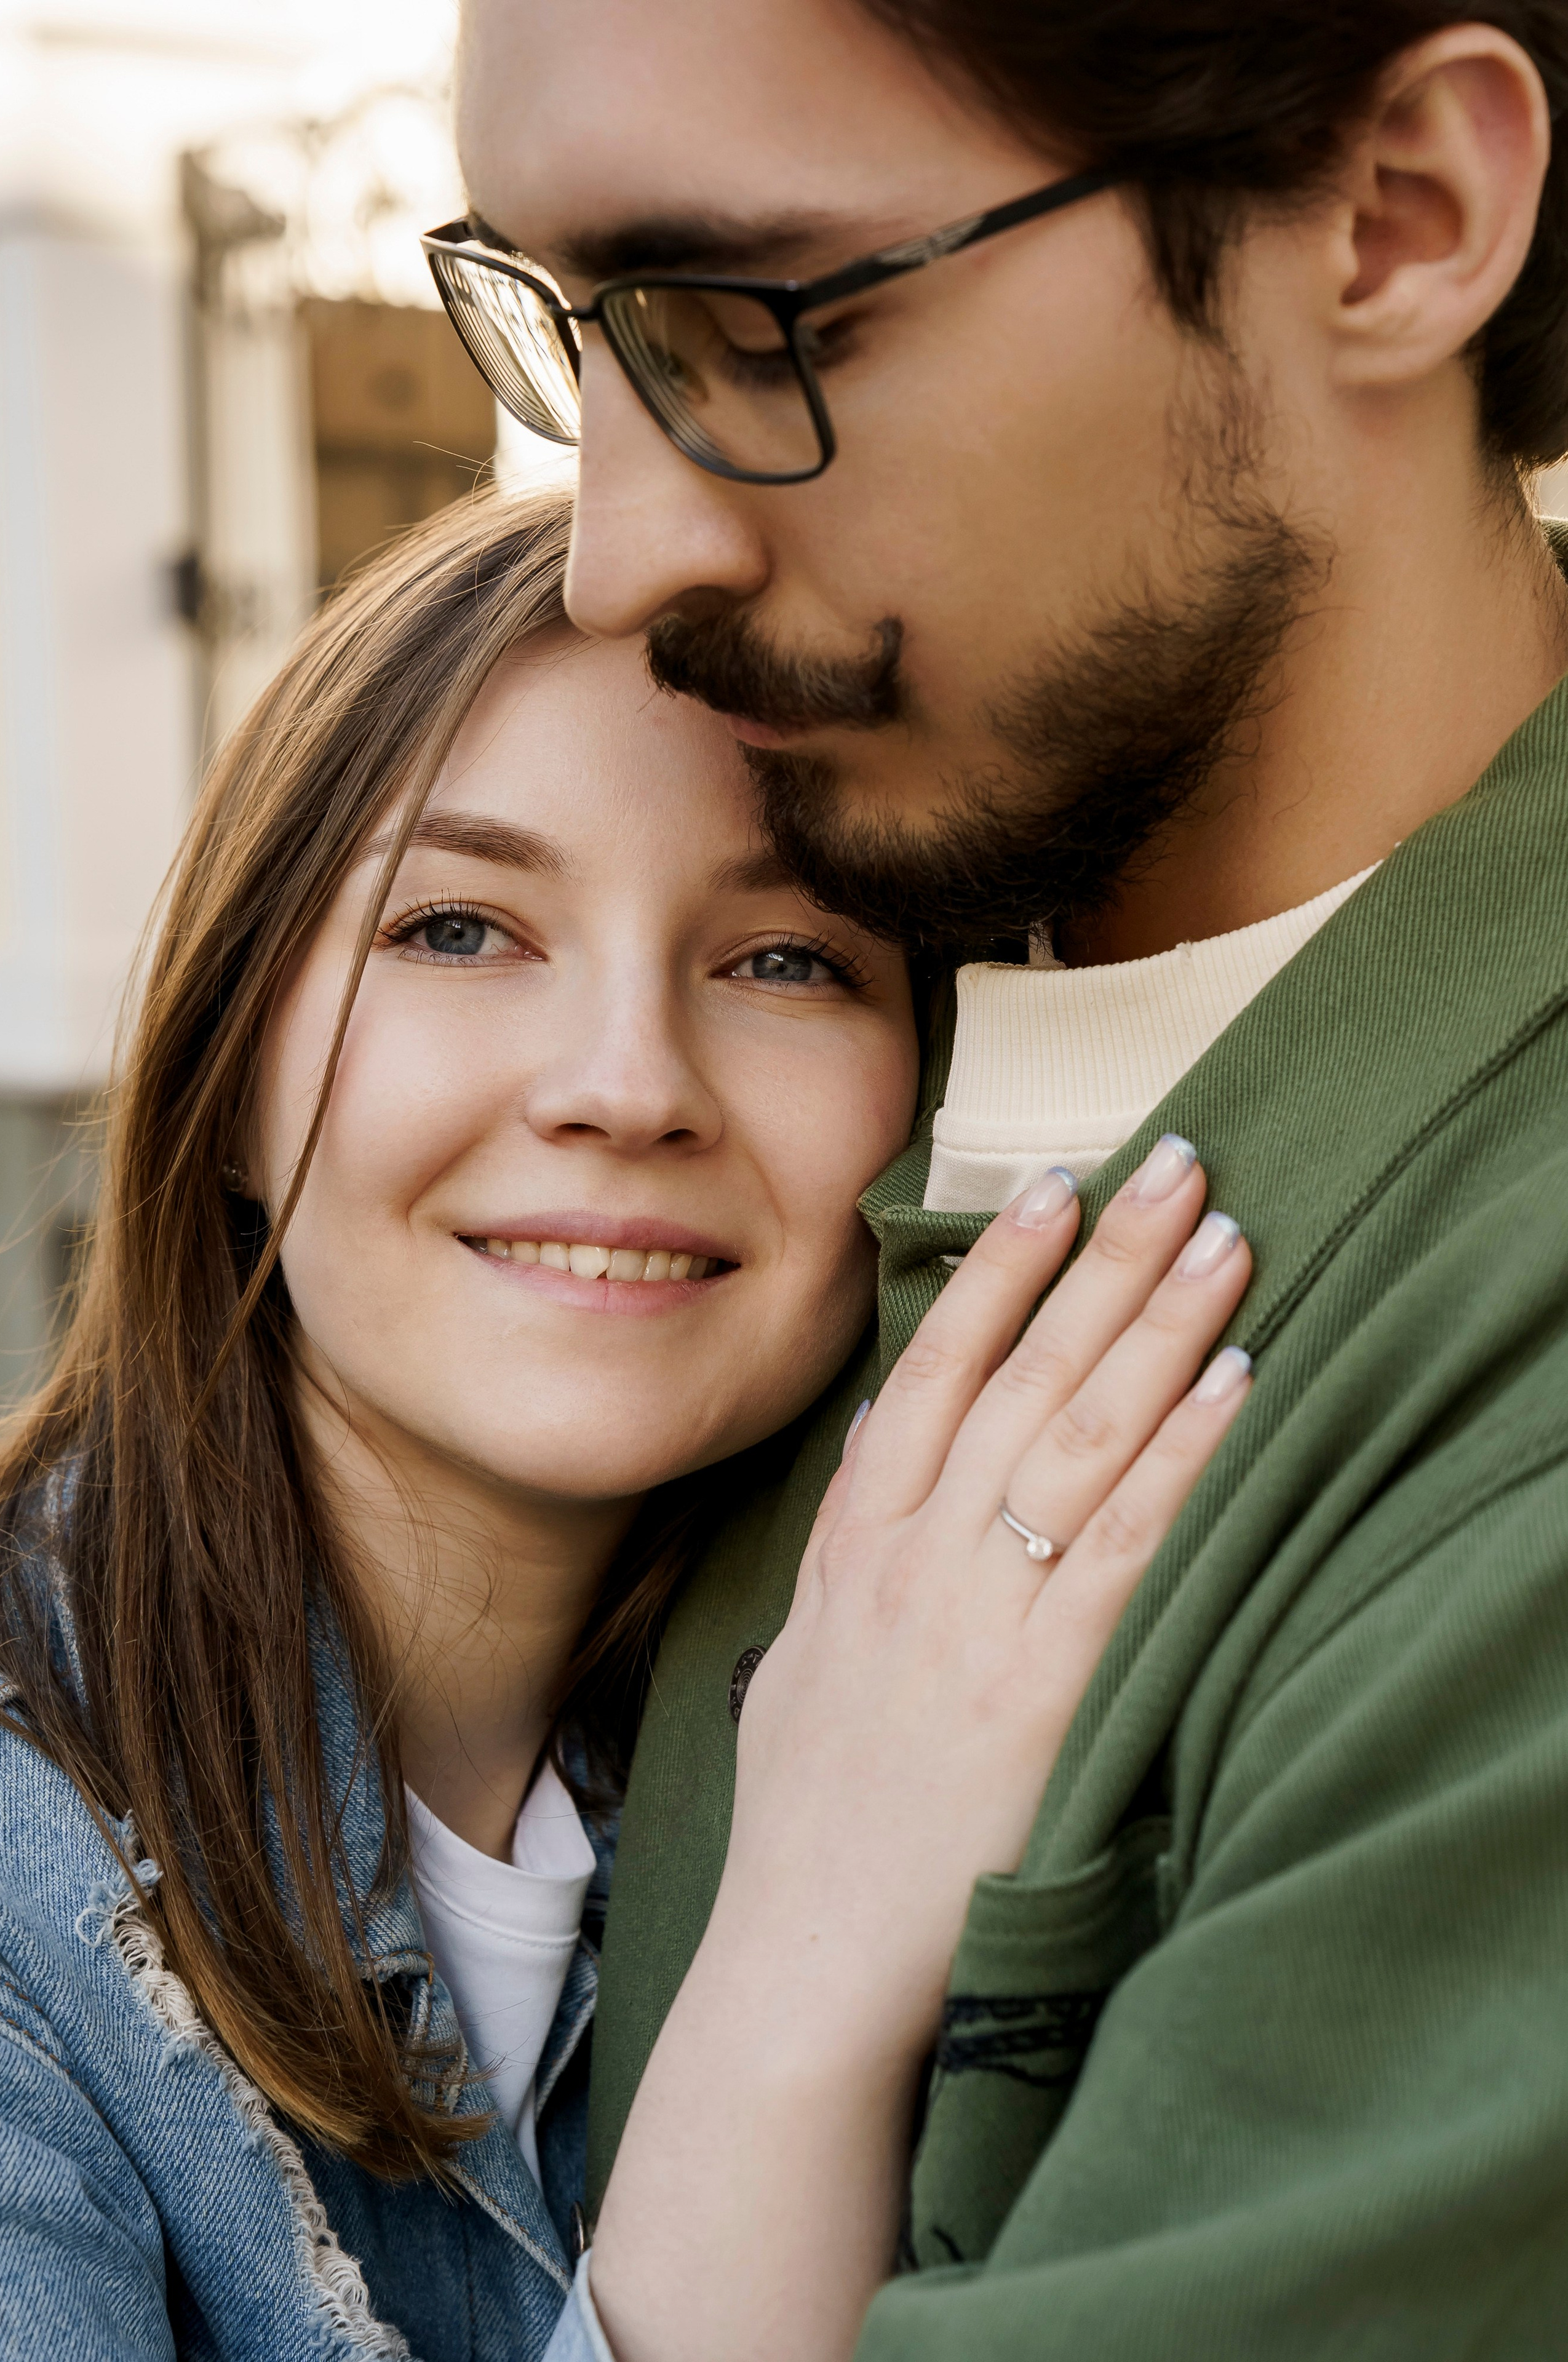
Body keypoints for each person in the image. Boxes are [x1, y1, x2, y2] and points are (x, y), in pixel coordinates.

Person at [441, 1, 1568, 2353]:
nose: (614, 557)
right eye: (572, 328)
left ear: (1400, 218)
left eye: (754, 322)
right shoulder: (717, 1108)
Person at [0, 481, 1251, 2359]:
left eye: (783, 962)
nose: (628, 1084)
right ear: (234, 1059)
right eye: (463, 929)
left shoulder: (928, 1687)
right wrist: (796, 2002)